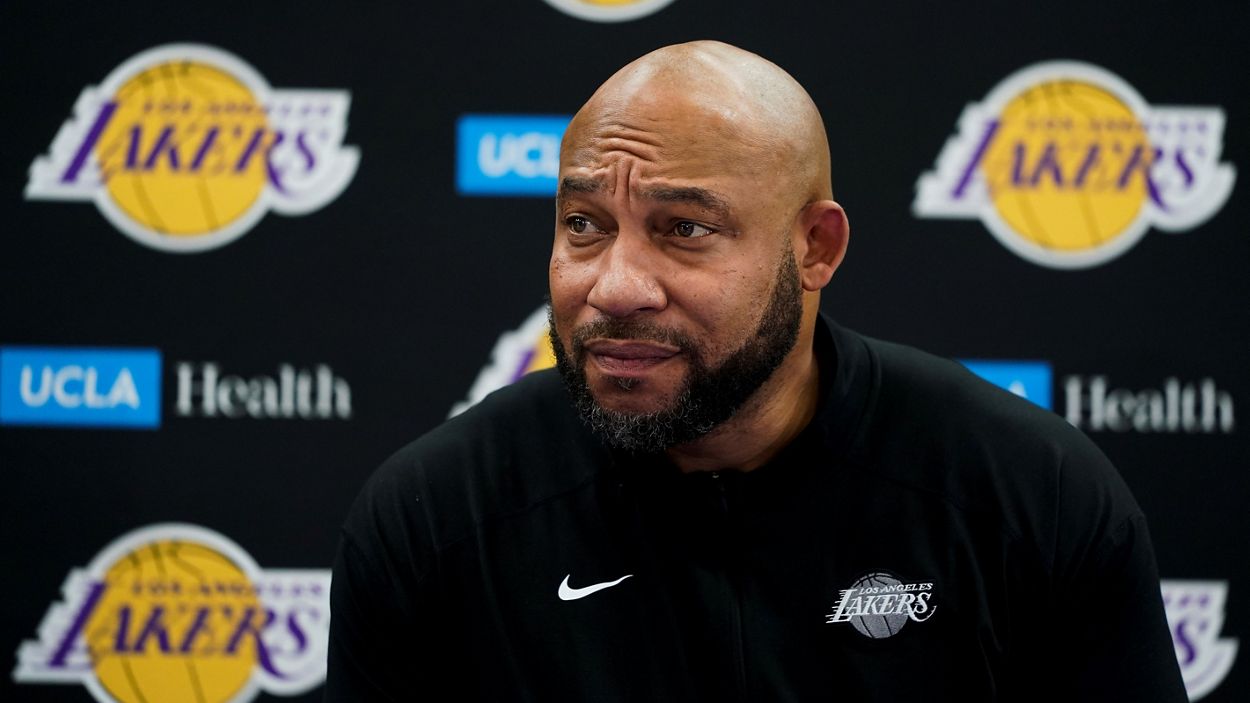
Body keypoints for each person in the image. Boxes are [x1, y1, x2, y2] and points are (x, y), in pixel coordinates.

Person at [326, 41, 1186, 701]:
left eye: (684, 229)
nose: (615, 287)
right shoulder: (435, 519)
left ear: (815, 248)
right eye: (584, 224)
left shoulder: (1030, 496)